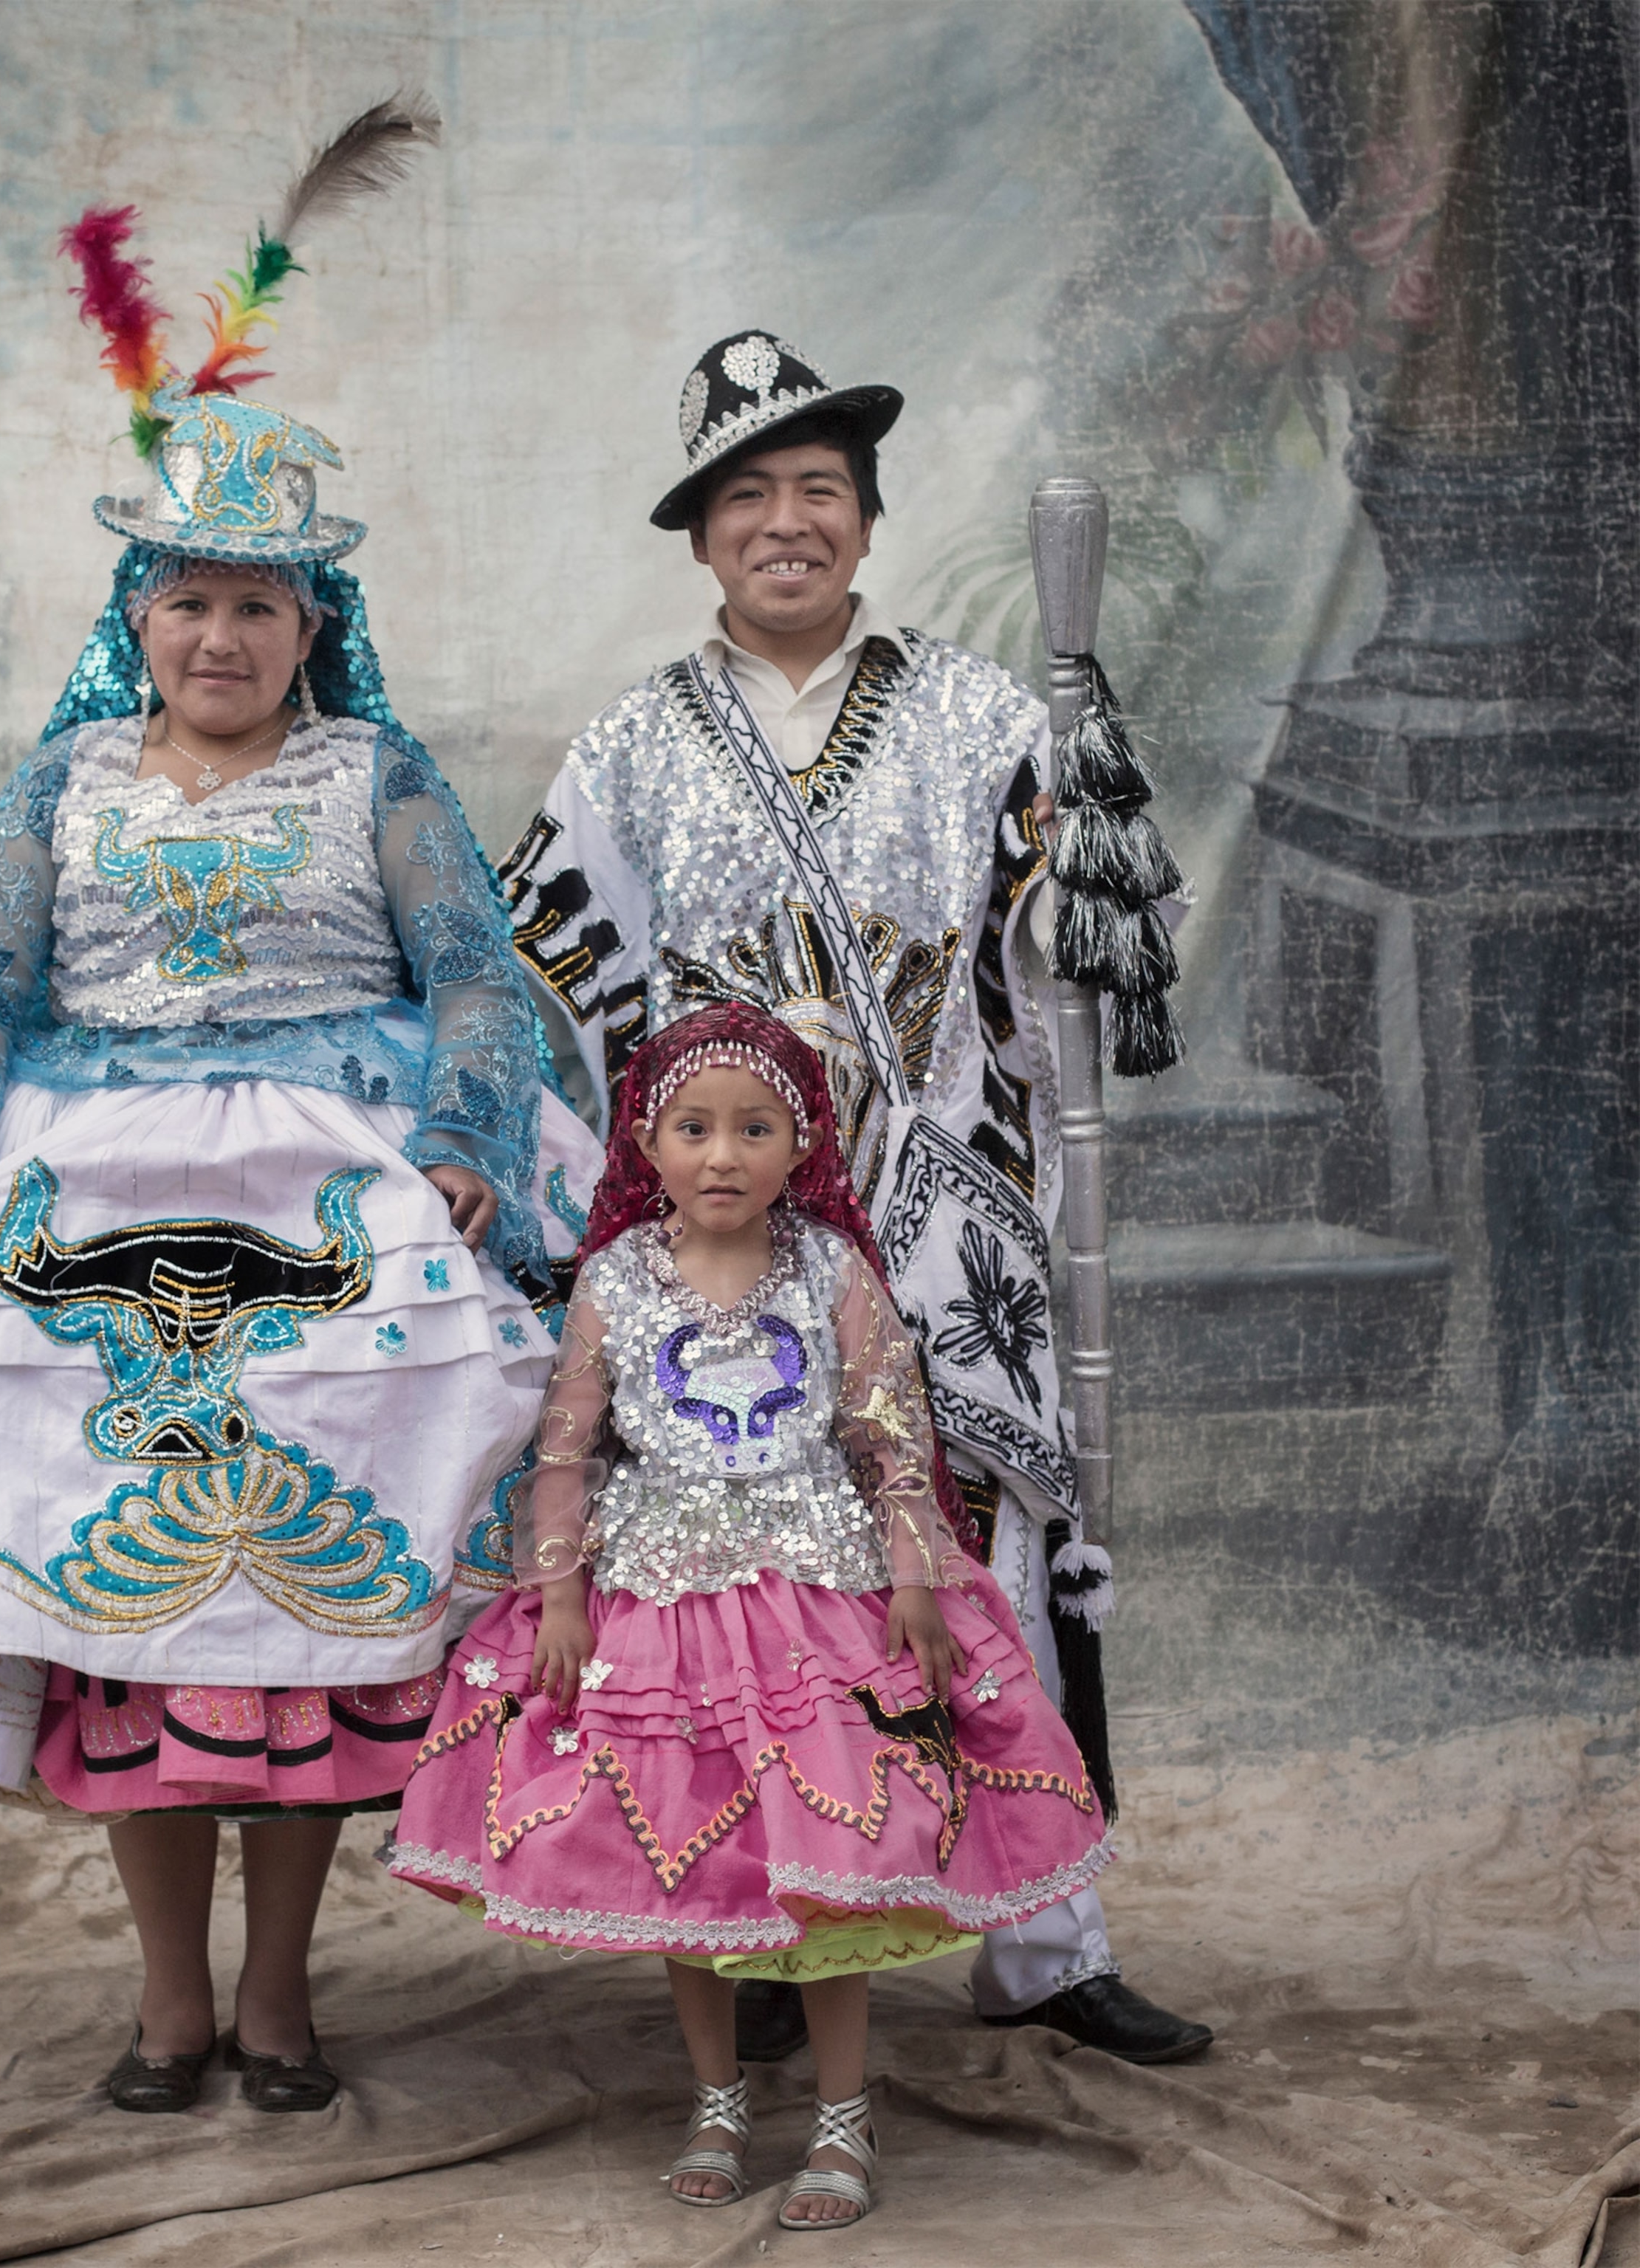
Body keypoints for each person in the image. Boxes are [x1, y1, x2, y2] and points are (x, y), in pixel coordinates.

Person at [0, 135, 601, 2117]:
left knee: (305, 1622)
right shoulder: (62, 781)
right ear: (140, 617)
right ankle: (169, 2002)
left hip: (334, 1183)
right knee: (125, 1623)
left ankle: (283, 1995)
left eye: (259, 608)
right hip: (85, 1193)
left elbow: (484, 980)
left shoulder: (378, 777)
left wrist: (474, 1148)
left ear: (307, 624)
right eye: (188, 606)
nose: (222, 641)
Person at [497, 331, 1211, 2066]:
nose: (788, 523)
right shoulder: (630, 745)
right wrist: (679, 1174)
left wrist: (1061, 882)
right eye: (751, 496)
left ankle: (1047, 1944)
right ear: (702, 539)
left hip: (946, 1210)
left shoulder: (982, 712)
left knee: (992, 1563)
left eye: (820, 490)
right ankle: (754, 1942)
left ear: (868, 524)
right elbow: (562, 967)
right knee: (746, 1592)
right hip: (730, 1235)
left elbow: (1067, 949)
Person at [389, 1007, 1111, 2230]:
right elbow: (566, 1452)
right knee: (687, 1868)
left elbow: (890, 1439)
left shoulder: (834, 1270)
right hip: (657, 1617)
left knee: (831, 1882)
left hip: (821, 1614)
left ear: (801, 1145)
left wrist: (919, 1577)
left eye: (754, 1130)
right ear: (650, 1145)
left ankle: (840, 2112)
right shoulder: (613, 1282)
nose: (723, 1156)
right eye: (695, 1129)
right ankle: (717, 2097)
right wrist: (560, 1591)